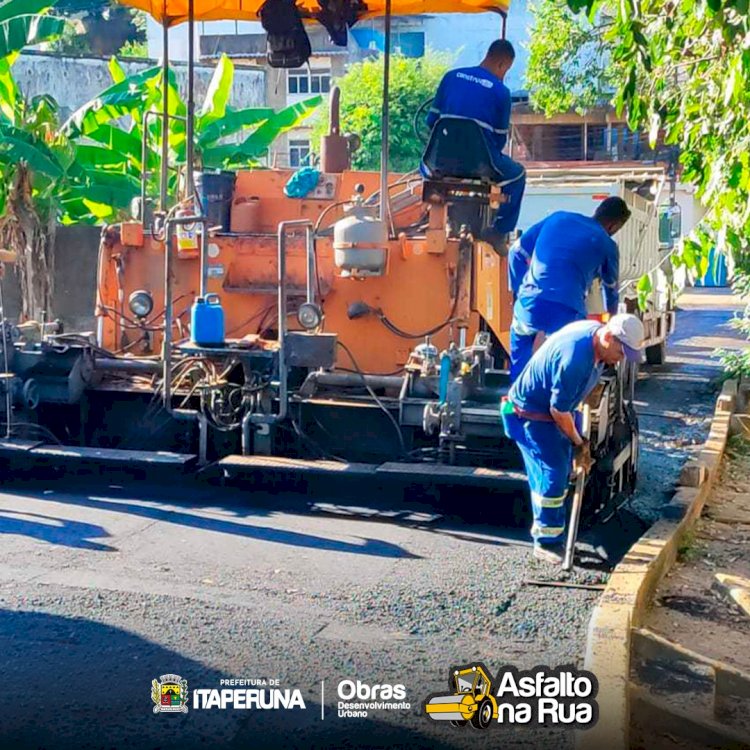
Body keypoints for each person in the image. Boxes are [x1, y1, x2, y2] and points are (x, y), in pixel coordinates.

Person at [501, 314, 645, 564]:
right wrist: (579, 443)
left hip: (550, 411)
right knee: (554, 474)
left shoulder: (595, 338)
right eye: (622, 353)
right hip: (530, 416)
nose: (622, 360)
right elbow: (559, 411)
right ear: (609, 337)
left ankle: (551, 531)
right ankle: (546, 542)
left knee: (555, 472)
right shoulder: (575, 358)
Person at [508, 197, 632, 381]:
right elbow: (611, 290)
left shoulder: (557, 218)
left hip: (530, 304)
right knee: (569, 366)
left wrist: (519, 292)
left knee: (520, 353)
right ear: (614, 226)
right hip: (567, 312)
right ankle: (562, 406)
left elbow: (516, 252)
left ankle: (515, 401)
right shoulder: (607, 244)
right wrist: (611, 323)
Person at [426, 39, 526, 238]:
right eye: (505, 70)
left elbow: (431, 121)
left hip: (440, 162)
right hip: (481, 163)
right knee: (518, 175)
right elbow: (498, 141)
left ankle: (437, 218)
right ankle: (499, 232)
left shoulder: (451, 77)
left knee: (424, 168)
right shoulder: (501, 92)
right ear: (501, 65)